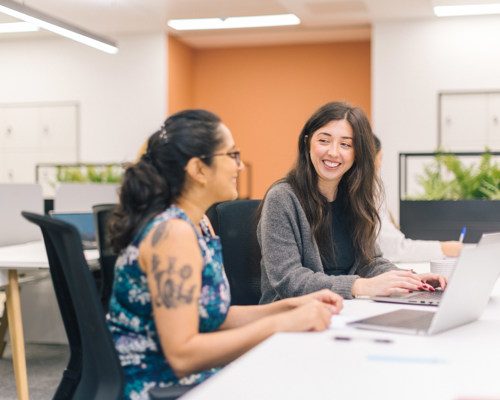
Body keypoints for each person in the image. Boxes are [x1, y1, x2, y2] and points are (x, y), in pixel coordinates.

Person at [106, 109, 343, 399]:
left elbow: (209, 317)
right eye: (232, 155)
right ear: (198, 170)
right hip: (159, 387)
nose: (240, 166)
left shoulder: (199, 224)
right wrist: (279, 325)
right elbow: (182, 356)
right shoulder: (172, 234)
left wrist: (289, 307)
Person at [257, 101, 448, 303]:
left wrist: (406, 278)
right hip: (293, 317)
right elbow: (289, 280)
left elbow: (370, 262)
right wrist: (360, 286)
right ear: (307, 143)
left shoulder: (355, 197)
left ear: (358, 153)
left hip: (347, 310)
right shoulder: (282, 198)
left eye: (346, 144)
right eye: (324, 141)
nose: (333, 152)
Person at [373, 135, 463, 262]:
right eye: (380, 158)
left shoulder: (373, 193)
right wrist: (444, 248)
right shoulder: (367, 197)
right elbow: (394, 249)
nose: (380, 165)